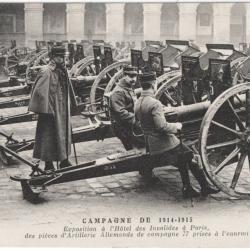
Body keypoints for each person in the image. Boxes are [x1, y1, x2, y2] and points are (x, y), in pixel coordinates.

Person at [135, 71, 219, 198]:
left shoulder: (139, 101)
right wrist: (177, 126)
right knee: (189, 154)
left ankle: (188, 188)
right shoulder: (154, 103)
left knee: (182, 157)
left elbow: (143, 121)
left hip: (150, 142)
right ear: (154, 83)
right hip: (162, 142)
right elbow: (161, 126)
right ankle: (204, 187)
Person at [28, 46, 71, 171]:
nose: (62, 59)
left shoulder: (62, 70)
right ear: (52, 57)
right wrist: (45, 109)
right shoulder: (46, 71)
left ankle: (64, 160)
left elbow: (67, 88)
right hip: (50, 110)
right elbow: (39, 92)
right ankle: (48, 164)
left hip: (62, 108)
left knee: (63, 134)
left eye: (63, 57)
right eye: (59, 57)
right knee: (48, 136)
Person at [109, 65, 144, 151]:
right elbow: (120, 113)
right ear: (124, 76)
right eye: (131, 76)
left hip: (128, 124)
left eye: (135, 76)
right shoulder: (118, 92)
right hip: (123, 127)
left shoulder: (127, 87)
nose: (134, 79)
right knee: (136, 148)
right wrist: (138, 120)